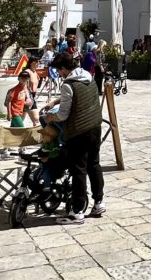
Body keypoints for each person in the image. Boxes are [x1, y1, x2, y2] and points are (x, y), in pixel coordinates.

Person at [44, 53, 105, 224]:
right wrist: (56, 102)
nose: (59, 74)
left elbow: (63, 115)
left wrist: (50, 118)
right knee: (94, 164)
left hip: (79, 131)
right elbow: (77, 95)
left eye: (59, 70)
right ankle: (99, 202)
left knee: (79, 169)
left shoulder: (67, 85)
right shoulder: (88, 77)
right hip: (95, 127)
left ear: (63, 69)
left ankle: (77, 211)